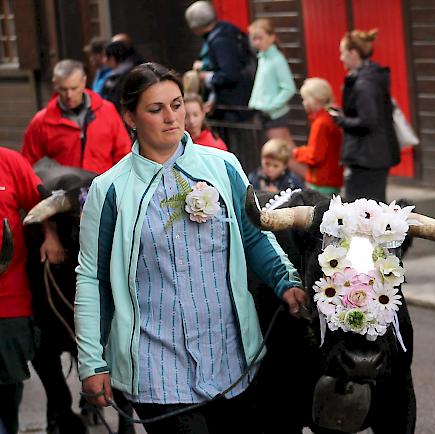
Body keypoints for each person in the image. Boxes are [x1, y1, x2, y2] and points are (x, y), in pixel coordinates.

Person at [75, 62, 307, 434]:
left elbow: (253, 236)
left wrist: (286, 281)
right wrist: (91, 362)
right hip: (157, 367)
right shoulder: (110, 190)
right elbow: (92, 278)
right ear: (130, 117)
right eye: (156, 109)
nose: (171, 117)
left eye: (177, 104)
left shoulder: (224, 166)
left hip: (233, 359)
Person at [0, 147, 64, 434]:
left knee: (7, 389)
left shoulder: (10, 162)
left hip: (8, 302)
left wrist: (50, 236)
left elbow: (42, 205)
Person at [21, 59, 131, 174]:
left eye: (74, 88)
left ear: (84, 82)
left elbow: (124, 155)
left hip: (102, 188)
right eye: (63, 89)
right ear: (55, 85)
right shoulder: (41, 122)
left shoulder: (107, 111)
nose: (69, 95)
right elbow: (28, 165)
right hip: (62, 189)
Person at [332, 29, 400, 203]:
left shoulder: (364, 84)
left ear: (353, 53)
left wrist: (340, 120)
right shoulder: (373, 77)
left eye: (343, 53)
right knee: (375, 204)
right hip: (374, 154)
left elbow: (368, 120)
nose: (341, 58)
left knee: (363, 207)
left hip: (367, 157)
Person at [185, 1, 253, 121]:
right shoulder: (225, 29)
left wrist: (206, 77)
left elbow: (230, 73)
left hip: (233, 105)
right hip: (239, 100)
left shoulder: (220, 41)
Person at [247, 19, 296, 148]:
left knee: (281, 154)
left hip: (275, 115)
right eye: (254, 38)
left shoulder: (277, 59)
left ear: (271, 37)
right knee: (283, 151)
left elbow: (289, 88)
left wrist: (270, 107)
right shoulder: (263, 57)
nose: (256, 42)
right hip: (266, 114)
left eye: (260, 38)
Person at [293, 78, 343, 196]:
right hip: (333, 177)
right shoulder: (333, 116)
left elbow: (315, 156)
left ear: (314, 100)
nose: (303, 103)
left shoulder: (320, 123)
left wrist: (298, 152)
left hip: (321, 180)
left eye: (305, 99)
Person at [101, 41, 140, 112]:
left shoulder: (129, 77)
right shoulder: (112, 75)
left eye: (106, 57)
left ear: (112, 58)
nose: (104, 61)